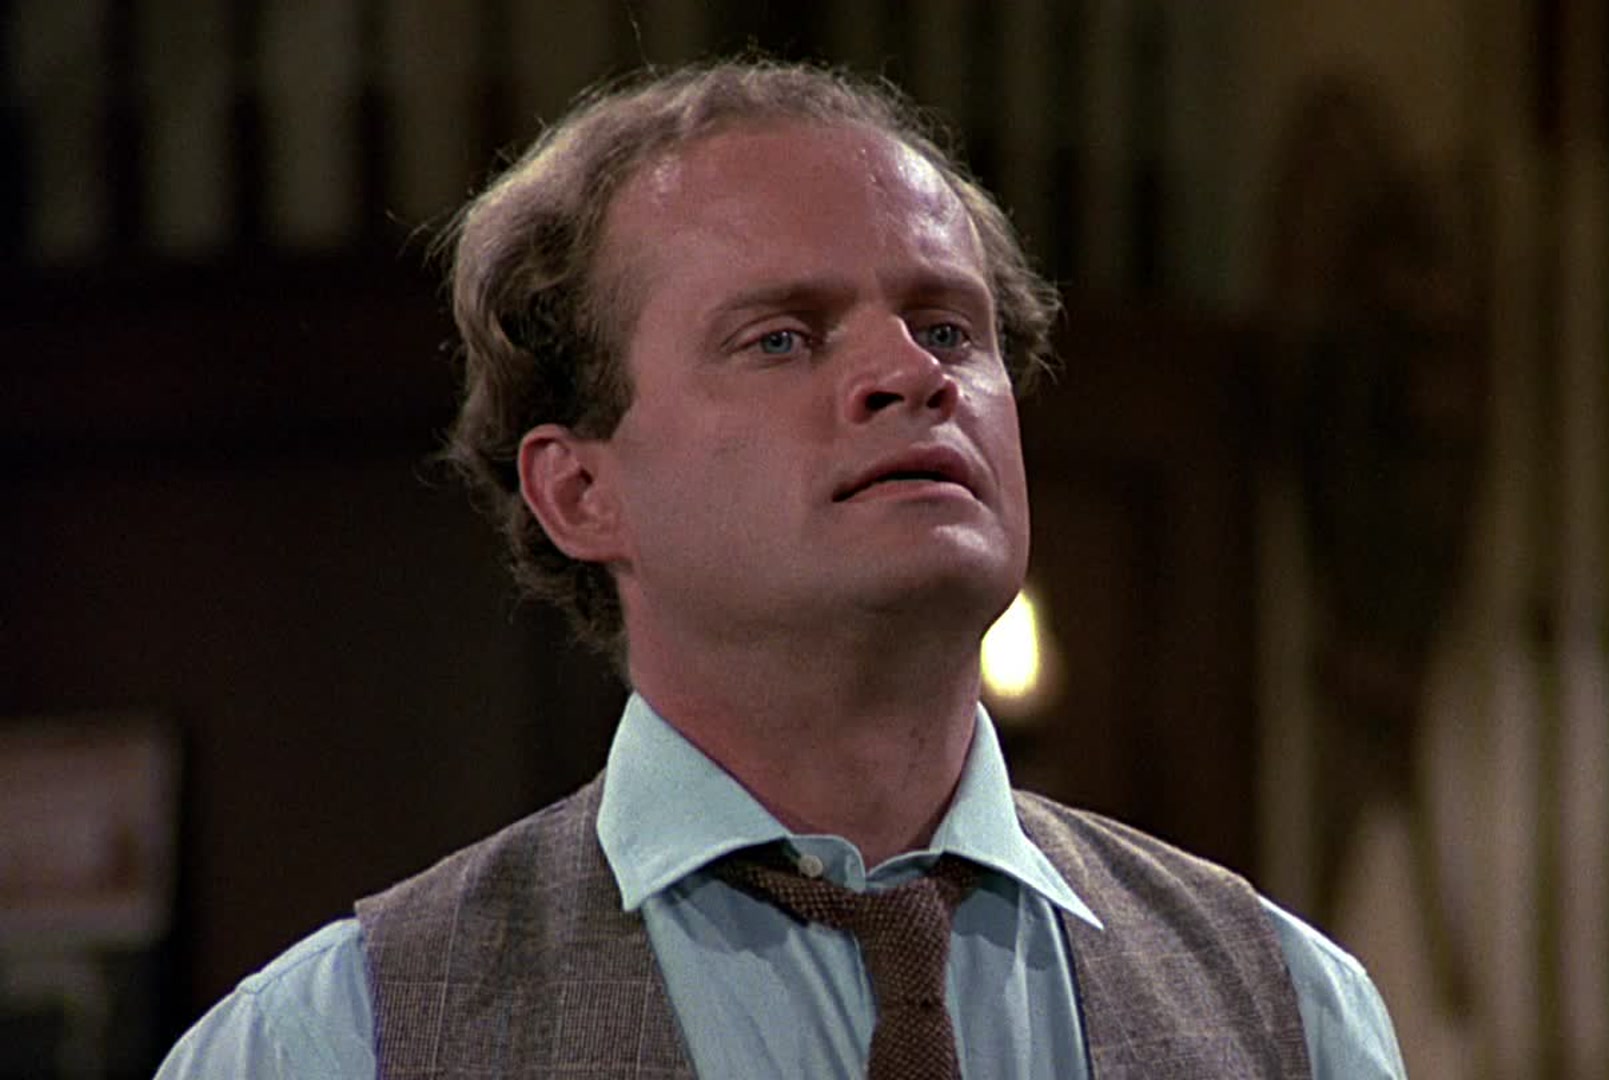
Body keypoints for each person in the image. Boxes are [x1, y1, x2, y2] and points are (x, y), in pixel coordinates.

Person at [156, 59, 1406, 1078]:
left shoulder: (1289, 1012)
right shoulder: (335, 1044)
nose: (910, 374)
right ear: (581, 491)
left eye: (948, 327)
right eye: (781, 338)